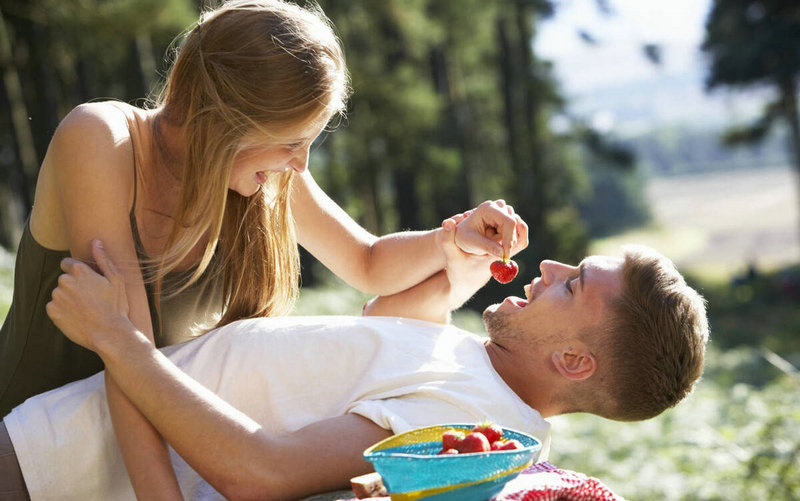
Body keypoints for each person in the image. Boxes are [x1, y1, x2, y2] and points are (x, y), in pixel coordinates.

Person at [0, 0, 526, 497]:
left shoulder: (261, 173)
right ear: (226, 120)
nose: (300, 164)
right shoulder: (101, 139)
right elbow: (127, 359)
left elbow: (367, 264)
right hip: (30, 457)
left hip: (146, 463)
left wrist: (450, 238)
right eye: (293, 142)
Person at [0, 236, 709, 500]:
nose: (550, 266)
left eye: (573, 283)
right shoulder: (477, 373)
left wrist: (119, 339)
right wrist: (450, 251)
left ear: (573, 360)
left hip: (61, 468)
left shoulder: (475, 431)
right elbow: (378, 332)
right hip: (71, 430)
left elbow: (263, 472)